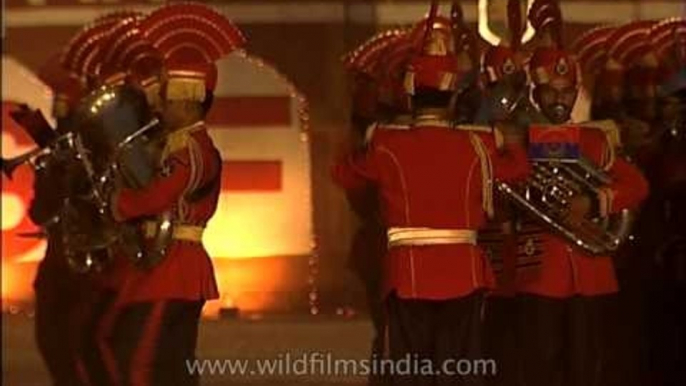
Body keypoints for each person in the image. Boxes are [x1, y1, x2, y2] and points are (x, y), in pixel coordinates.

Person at [333, 3, 529, 385]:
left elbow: (343, 173)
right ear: (454, 97)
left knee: (410, 373)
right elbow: (518, 168)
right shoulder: (480, 144)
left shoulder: (387, 144)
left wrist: (365, 130)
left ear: (409, 96)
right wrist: (506, 133)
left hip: (407, 274)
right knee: (460, 371)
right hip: (465, 273)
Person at [99, 3, 245, 385]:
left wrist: (119, 204)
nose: (162, 105)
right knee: (171, 366)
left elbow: (159, 196)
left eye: (169, 97)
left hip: (176, 269)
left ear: (188, 98)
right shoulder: (178, 146)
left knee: (143, 363)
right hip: (166, 265)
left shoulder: (195, 151)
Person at [512, 3, 649, 386]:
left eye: (566, 91)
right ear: (534, 92)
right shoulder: (514, 140)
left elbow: (637, 185)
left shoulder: (595, 139)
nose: (559, 99)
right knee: (540, 367)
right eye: (550, 91)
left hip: (590, 274)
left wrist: (592, 201)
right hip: (538, 272)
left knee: (587, 367)